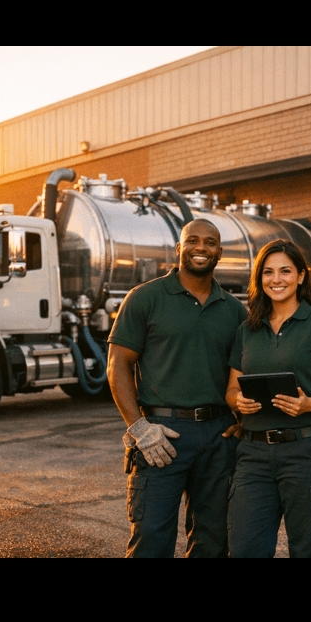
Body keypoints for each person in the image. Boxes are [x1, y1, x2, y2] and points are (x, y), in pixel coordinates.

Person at [107, 218, 248, 558]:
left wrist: (241, 423)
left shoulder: (234, 310)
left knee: (213, 540)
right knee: (151, 539)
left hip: (219, 436)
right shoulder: (145, 298)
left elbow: (243, 375)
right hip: (163, 435)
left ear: (220, 252)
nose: (202, 247)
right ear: (179, 247)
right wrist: (139, 427)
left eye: (210, 242)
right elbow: (118, 366)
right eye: (194, 240)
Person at [225, 240, 311, 558]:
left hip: (308, 453)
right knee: (244, 548)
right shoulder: (246, 329)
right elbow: (230, 390)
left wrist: (309, 404)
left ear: (301, 277)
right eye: (268, 272)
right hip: (253, 455)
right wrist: (239, 402)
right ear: (259, 278)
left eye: (285, 271)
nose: (276, 279)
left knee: (310, 550)